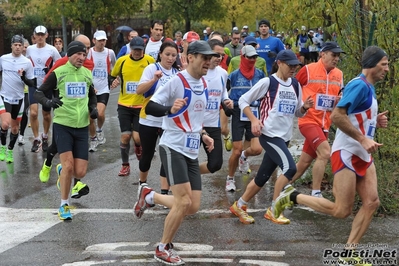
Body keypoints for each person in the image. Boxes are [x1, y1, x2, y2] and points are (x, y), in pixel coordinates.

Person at [274, 46, 389, 264]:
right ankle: (292, 197)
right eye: (384, 64)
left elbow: (357, 117)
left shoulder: (369, 88)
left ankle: (348, 253)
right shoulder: (358, 85)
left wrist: (375, 122)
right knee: (341, 210)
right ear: (372, 64)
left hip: (362, 154)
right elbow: (337, 115)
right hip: (346, 153)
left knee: (372, 202)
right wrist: (363, 138)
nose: (387, 69)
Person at [133, 40, 216, 265]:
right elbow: (150, 106)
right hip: (172, 146)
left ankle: (149, 196)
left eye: (210, 58)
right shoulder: (177, 82)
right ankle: (162, 248)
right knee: (182, 201)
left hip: (191, 149)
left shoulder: (204, 84)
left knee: (193, 205)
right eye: (204, 58)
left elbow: (195, 120)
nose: (208, 62)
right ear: (191, 58)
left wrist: (204, 135)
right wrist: (169, 109)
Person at [230, 50, 313, 224]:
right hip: (269, 135)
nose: (293, 69)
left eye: (295, 66)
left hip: (285, 137)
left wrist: (304, 108)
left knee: (262, 177)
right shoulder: (268, 82)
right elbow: (243, 100)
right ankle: (274, 208)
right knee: (290, 169)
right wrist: (254, 120)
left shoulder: (295, 84)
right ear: (279, 63)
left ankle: (240, 204)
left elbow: (297, 112)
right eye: (290, 65)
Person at [34, 40, 98, 220]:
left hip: (82, 127)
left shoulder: (87, 74)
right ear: (70, 54)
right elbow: (39, 93)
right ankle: (64, 205)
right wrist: (48, 102)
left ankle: (63, 170)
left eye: (84, 55)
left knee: (80, 172)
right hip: (63, 124)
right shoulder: (58, 73)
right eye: (78, 54)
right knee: (70, 165)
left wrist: (93, 108)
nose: (81, 57)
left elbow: (92, 95)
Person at [290, 41, 345, 197]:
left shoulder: (339, 74)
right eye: (333, 55)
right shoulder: (308, 70)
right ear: (323, 54)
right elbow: (293, 86)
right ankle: (316, 192)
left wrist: (339, 100)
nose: (336, 59)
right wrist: (299, 105)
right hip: (308, 120)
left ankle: (281, 186)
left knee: (304, 163)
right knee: (325, 153)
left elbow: (340, 94)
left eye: (338, 56)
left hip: (325, 124)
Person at [136, 41, 180, 199]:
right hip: (148, 119)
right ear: (160, 54)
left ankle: (164, 191)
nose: (170, 58)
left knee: (166, 154)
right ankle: (142, 183)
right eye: (167, 54)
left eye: (173, 55)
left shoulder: (176, 73)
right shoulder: (151, 69)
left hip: (167, 121)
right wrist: (153, 80)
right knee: (147, 154)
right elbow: (139, 91)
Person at [110, 37, 155, 176]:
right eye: (135, 49)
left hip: (141, 105)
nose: (137, 52)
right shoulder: (122, 61)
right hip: (124, 104)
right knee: (125, 136)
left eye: (139, 50)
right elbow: (112, 76)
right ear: (131, 48)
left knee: (137, 138)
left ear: (143, 49)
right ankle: (125, 165)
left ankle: (138, 146)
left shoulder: (149, 61)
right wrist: (114, 81)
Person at [226, 45, 265, 192]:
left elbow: (265, 93)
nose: (253, 60)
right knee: (236, 150)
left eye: (255, 57)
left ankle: (244, 156)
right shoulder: (234, 76)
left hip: (254, 112)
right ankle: (230, 179)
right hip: (238, 112)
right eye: (250, 57)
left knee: (256, 149)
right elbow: (224, 94)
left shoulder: (260, 74)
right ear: (243, 57)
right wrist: (227, 103)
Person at [199, 39, 233, 175]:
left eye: (221, 55)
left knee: (216, 164)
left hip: (213, 124)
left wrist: (226, 101)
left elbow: (223, 93)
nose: (219, 58)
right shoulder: (198, 71)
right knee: (186, 158)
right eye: (216, 54)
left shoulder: (223, 73)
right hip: (195, 124)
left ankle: (189, 173)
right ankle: (181, 180)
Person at [26, 25, 61, 152]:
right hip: (33, 85)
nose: (40, 37)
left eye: (42, 34)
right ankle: (36, 139)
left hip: (47, 86)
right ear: (34, 36)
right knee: (33, 113)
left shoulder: (52, 50)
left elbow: (60, 64)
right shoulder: (29, 49)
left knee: (46, 114)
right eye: (38, 34)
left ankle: (45, 136)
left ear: (46, 35)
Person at [0, 35, 35, 163]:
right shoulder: (3, 59)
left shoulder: (26, 62)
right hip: (5, 97)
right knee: (5, 124)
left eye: (20, 45)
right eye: (15, 45)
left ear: (22, 47)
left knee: (15, 128)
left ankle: (10, 150)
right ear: (11, 46)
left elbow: (32, 83)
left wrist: (24, 78)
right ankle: (2, 147)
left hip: (19, 98)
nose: (18, 47)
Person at [86, 30, 116, 152]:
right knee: (90, 117)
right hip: (91, 88)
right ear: (94, 41)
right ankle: (93, 139)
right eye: (99, 40)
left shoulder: (110, 52)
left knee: (100, 114)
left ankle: (99, 129)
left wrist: (114, 78)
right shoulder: (89, 52)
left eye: (104, 40)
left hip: (104, 88)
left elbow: (115, 65)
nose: (102, 43)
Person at [18, 38, 32, 145]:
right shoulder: (14, 58)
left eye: (26, 47)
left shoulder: (30, 60)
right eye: (24, 46)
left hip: (26, 91)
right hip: (14, 90)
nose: (24, 49)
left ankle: (21, 134)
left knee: (24, 112)